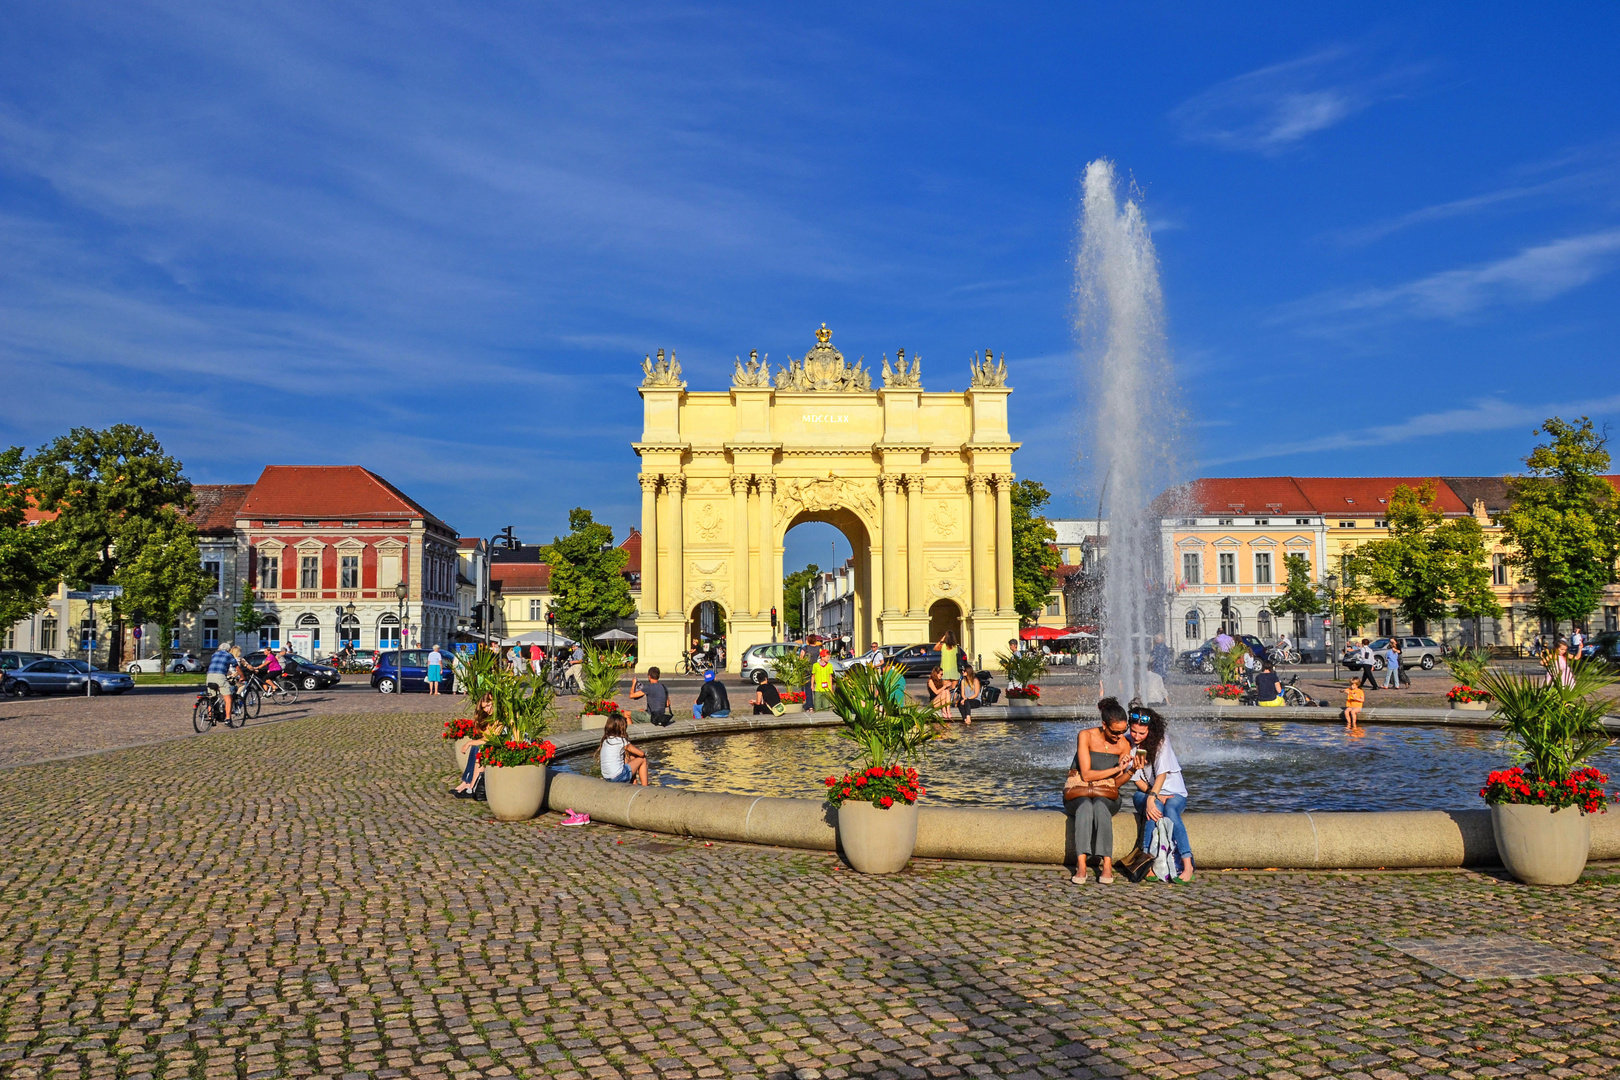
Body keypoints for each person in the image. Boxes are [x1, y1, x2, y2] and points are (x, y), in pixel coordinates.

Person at [1064, 697, 1140, 885]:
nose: (1119, 736)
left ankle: (1107, 864)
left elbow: (1116, 784)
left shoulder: (1123, 744)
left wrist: (1131, 771)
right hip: (1079, 791)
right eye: (1115, 732)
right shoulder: (1086, 736)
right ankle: (1081, 865)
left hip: (1106, 795)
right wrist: (1116, 769)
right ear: (1104, 725)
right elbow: (1087, 775)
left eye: (1124, 731)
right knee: (1084, 808)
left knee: (1099, 807)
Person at [1126, 707, 1193, 883]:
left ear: (1150, 730)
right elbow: (1137, 781)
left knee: (1170, 811)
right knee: (1155, 808)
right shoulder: (1128, 744)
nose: (1136, 736)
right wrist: (1152, 797)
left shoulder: (1161, 742)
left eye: (1141, 733)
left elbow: (1162, 775)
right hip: (1146, 793)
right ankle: (1146, 861)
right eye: (1133, 731)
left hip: (1173, 792)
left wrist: (1153, 797)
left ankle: (1188, 864)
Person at [451, 693, 496, 798]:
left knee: (479, 748)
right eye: (484, 707)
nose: (486, 710)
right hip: (493, 742)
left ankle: (471, 786)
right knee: (476, 747)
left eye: (489, 705)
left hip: (502, 744)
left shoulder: (500, 717)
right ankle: (466, 782)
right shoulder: (490, 717)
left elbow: (489, 739)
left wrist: (469, 743)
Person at [597, 713, 649, 785]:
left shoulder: (606, 740)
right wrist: (644, 754)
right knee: (642, 759)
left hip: (607, 777)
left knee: (630, 756)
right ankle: (645, 788)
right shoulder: (621, 741)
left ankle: (634, 783)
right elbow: (641, 754)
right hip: (618, 777)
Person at [205, 643, 238, 722]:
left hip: (209, 676)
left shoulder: (214, 655)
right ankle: (228, 718)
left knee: (211, 698)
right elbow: (236, 666)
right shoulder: (229, 655)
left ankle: (210, 717)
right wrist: (242, 676)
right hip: (220, 677)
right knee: (228, 698)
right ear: (228, 650)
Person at [1143, 633, 1171, 705]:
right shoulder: (1166, 648)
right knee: (1162, 686)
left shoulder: (1156, 648)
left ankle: (1155, 699)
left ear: (1157, 640)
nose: (1155, 641)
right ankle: (1163, 700)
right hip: (1163, 671)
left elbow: (1152, 659)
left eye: (1155, 639)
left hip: (1156, 670)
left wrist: (1148, 666)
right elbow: (1168, 660)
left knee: (1154, 685)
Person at [934, 631, 960, 707]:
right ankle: (954, 703)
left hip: (945, 670)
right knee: (954, 689)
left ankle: (946, 704)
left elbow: (935, 648)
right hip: (954, 670)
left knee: (946, 689)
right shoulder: (956, 647)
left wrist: (941, 640)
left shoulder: (943, 646)